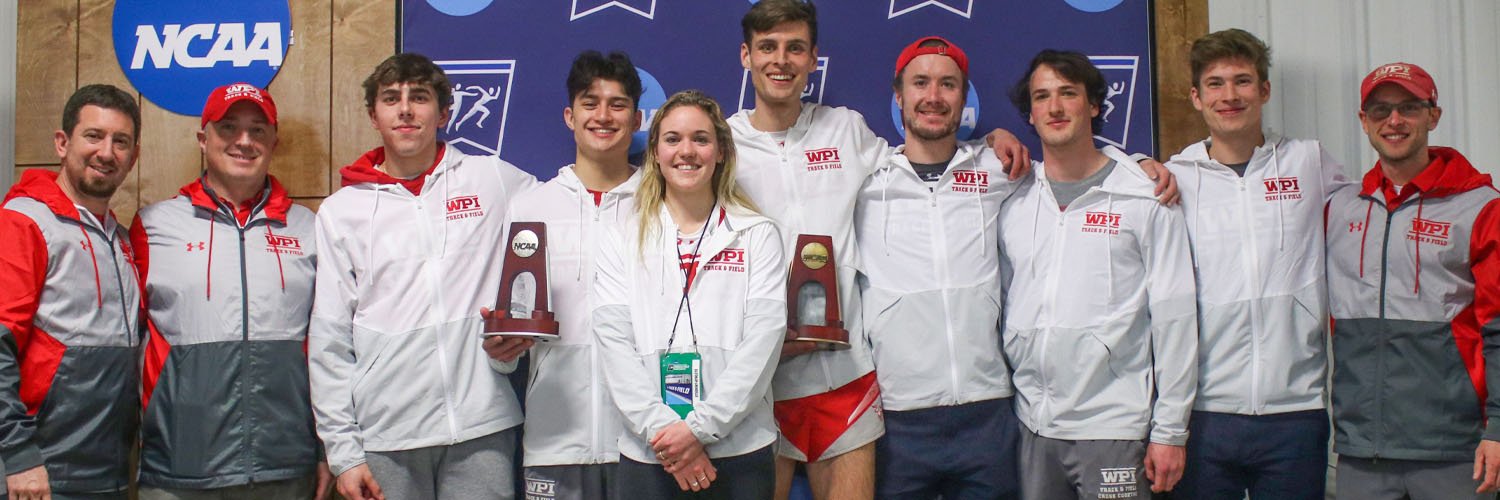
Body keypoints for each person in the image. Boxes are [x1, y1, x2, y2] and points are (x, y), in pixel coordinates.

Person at [309, 53, 539, 500]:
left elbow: (561, 213)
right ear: (373, 116)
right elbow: (329, 339)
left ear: (444, 112)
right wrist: (343, 453)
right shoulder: (343, 210)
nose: (406, 109)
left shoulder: (490, 178)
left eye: (420, 97)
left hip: (481, 424)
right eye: (391, 98)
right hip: (386, 434)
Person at [998, 50, 1197, 500]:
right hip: (1033, 425)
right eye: (1042, 96)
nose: (1055, 107)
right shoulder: (1014, 202)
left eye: (1068, 93)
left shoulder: (1145, 197)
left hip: (1114, 427)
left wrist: (1170, 431)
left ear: (1093, 105)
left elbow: (1176, 319)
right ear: (1030, 114)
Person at [1162, 29, 1351, 499]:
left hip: (1296, 410)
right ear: (1196, 97)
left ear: (1264, 91)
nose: (1230, 95)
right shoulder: (1173, 177)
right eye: (1215, 83)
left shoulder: (1309, 162)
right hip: (1204, 412)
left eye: (1243, 81)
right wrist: (1143, 162)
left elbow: (1371, 215)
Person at [130, 83, 332, 499]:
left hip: (285, 464)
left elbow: (331, 345)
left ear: (274, 142)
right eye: (228, 128)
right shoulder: (153, 226)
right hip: (179, 467)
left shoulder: (309, 228)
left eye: (258, 130)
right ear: (203, 139)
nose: (244, 141)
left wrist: (330, 447)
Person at [853, 36, 1024, 499]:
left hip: (987, 410)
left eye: (948, 84)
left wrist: (1139, 164)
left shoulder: (997, 170)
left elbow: (1074, 174)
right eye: (920, 82)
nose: (933, 96)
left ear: (964, 97)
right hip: (898, 416)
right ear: (899, 96)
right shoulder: (865, 180)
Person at [593, 89, 786, 499]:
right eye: (672, 139)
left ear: (720, 152)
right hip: (650, 453)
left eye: (700, 139)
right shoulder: (621, 237)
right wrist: (668, 436)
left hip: (739, 449)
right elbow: (613, 342)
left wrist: (699, 429)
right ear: (656, 154)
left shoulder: (756, 234)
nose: (687, 151)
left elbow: (763, 343)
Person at [1325, 61, 1500, 499]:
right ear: (1364, 121)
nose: (1395, 121)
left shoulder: (1480, 208)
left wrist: (1498, 427)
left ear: (1433, 116)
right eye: (1381, 110)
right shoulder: (1339, 208)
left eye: (1409, 108)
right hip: (1362, 450)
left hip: (1455, 449)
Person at [511, 50, 644, 500]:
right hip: (555, 440)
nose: (603, 116)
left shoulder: (663, 207)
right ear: (570, 116)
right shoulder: (531, 208)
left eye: (618, 104)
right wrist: (500, 348)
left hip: (647, 442)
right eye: (590, 103)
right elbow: (508, 328)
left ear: (638, 117)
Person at [0, 84, 143, 500]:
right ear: (62, 143)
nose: (106, 152)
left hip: (108, 468)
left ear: (133, 157)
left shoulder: (118, 236)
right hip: (39, 471)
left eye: (121, 142)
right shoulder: (24, 222)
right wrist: (20, 455)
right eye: (93, 136)